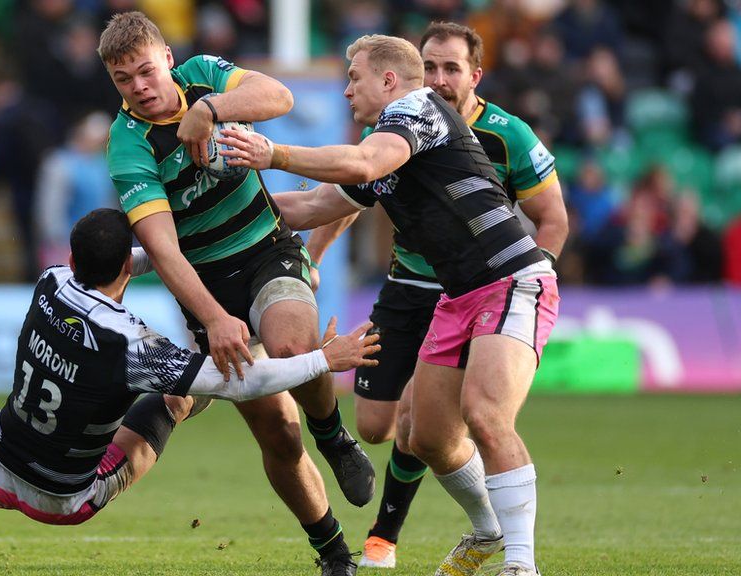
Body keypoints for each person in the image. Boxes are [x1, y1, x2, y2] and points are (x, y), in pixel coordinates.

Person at [0, 208, 380, 576]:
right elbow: (247, 381)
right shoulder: (131, 345)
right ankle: (332, 527)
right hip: (68, 496)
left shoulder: (49, 283)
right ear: (125, 271)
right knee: (183, 395)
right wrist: (320, 360)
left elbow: (120, 263)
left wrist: (158, 262)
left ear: (73, 258)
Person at [219, 34, 560, 576]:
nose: (346, 89)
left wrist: (273, 153)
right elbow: (311, 205)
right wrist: (196, 222)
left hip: (510, 278)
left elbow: (361, 163)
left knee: (486, 414)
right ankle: (490, 529)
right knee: (426, 436)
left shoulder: (417, 111)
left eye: (354, 77)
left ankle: (521, 564)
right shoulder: (388, 142)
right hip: (457, 295)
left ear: (387, 80)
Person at [100, 12, 373, 575]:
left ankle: (335, 436)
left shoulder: (204, 76)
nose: (140, 87)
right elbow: (166, 251)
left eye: (146, 71)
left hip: (269, 250)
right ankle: (334, 554)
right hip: (208, 287)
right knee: (275, 433)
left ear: (169, 59)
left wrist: (209, 110)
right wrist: (215, 319)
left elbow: (278, 95)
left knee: (295, 350)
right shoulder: (128, 145)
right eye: (124, 80)